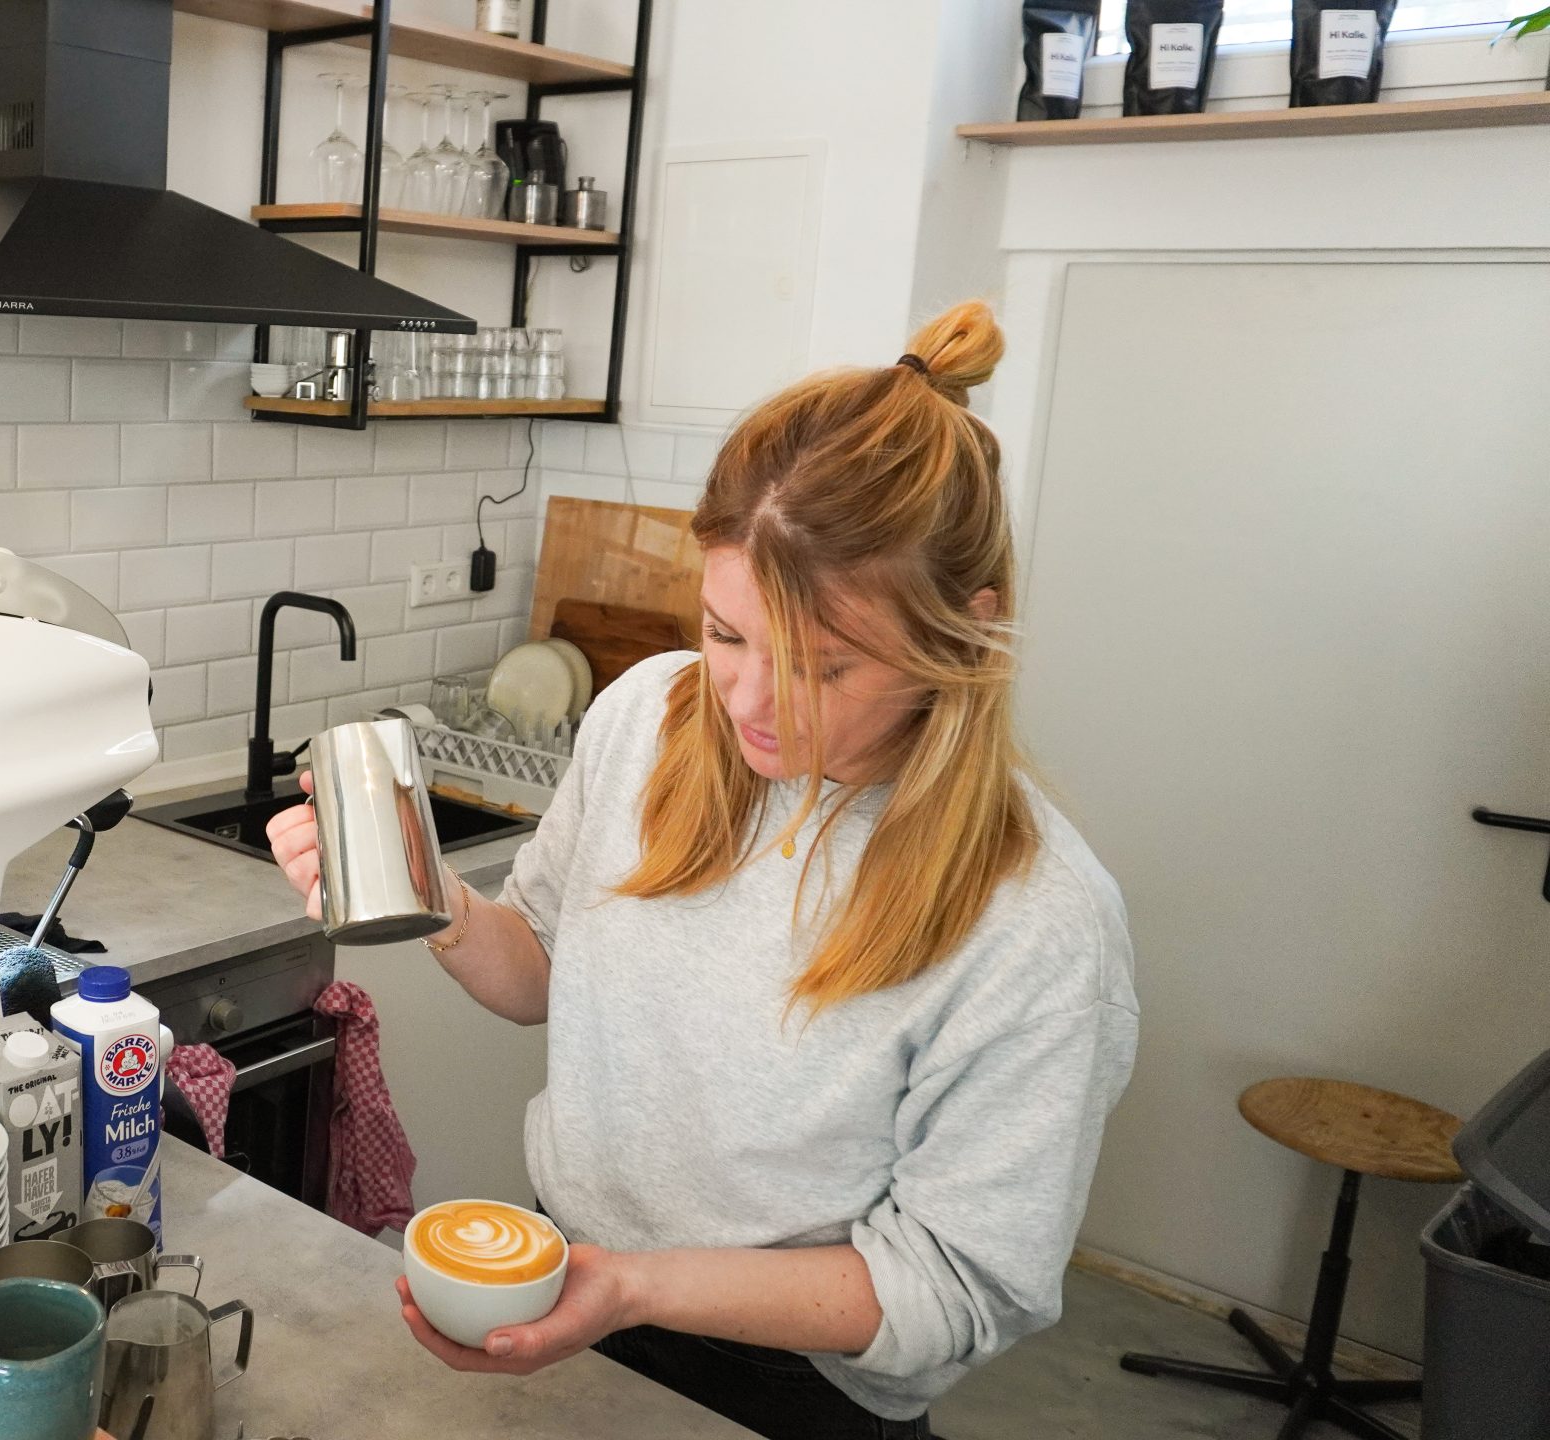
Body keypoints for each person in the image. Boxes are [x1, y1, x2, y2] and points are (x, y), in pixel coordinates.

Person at [265, 301, 1138, 1440]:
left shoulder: (1034, 919)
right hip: (572, 1284)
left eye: (824, 666)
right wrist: (427, 893)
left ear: (963, 633)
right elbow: (537, 975)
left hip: (796, 1388)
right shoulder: (646, 715)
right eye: (726, 636)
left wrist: (634, 1284)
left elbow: (958, 1286)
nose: (747, 704)